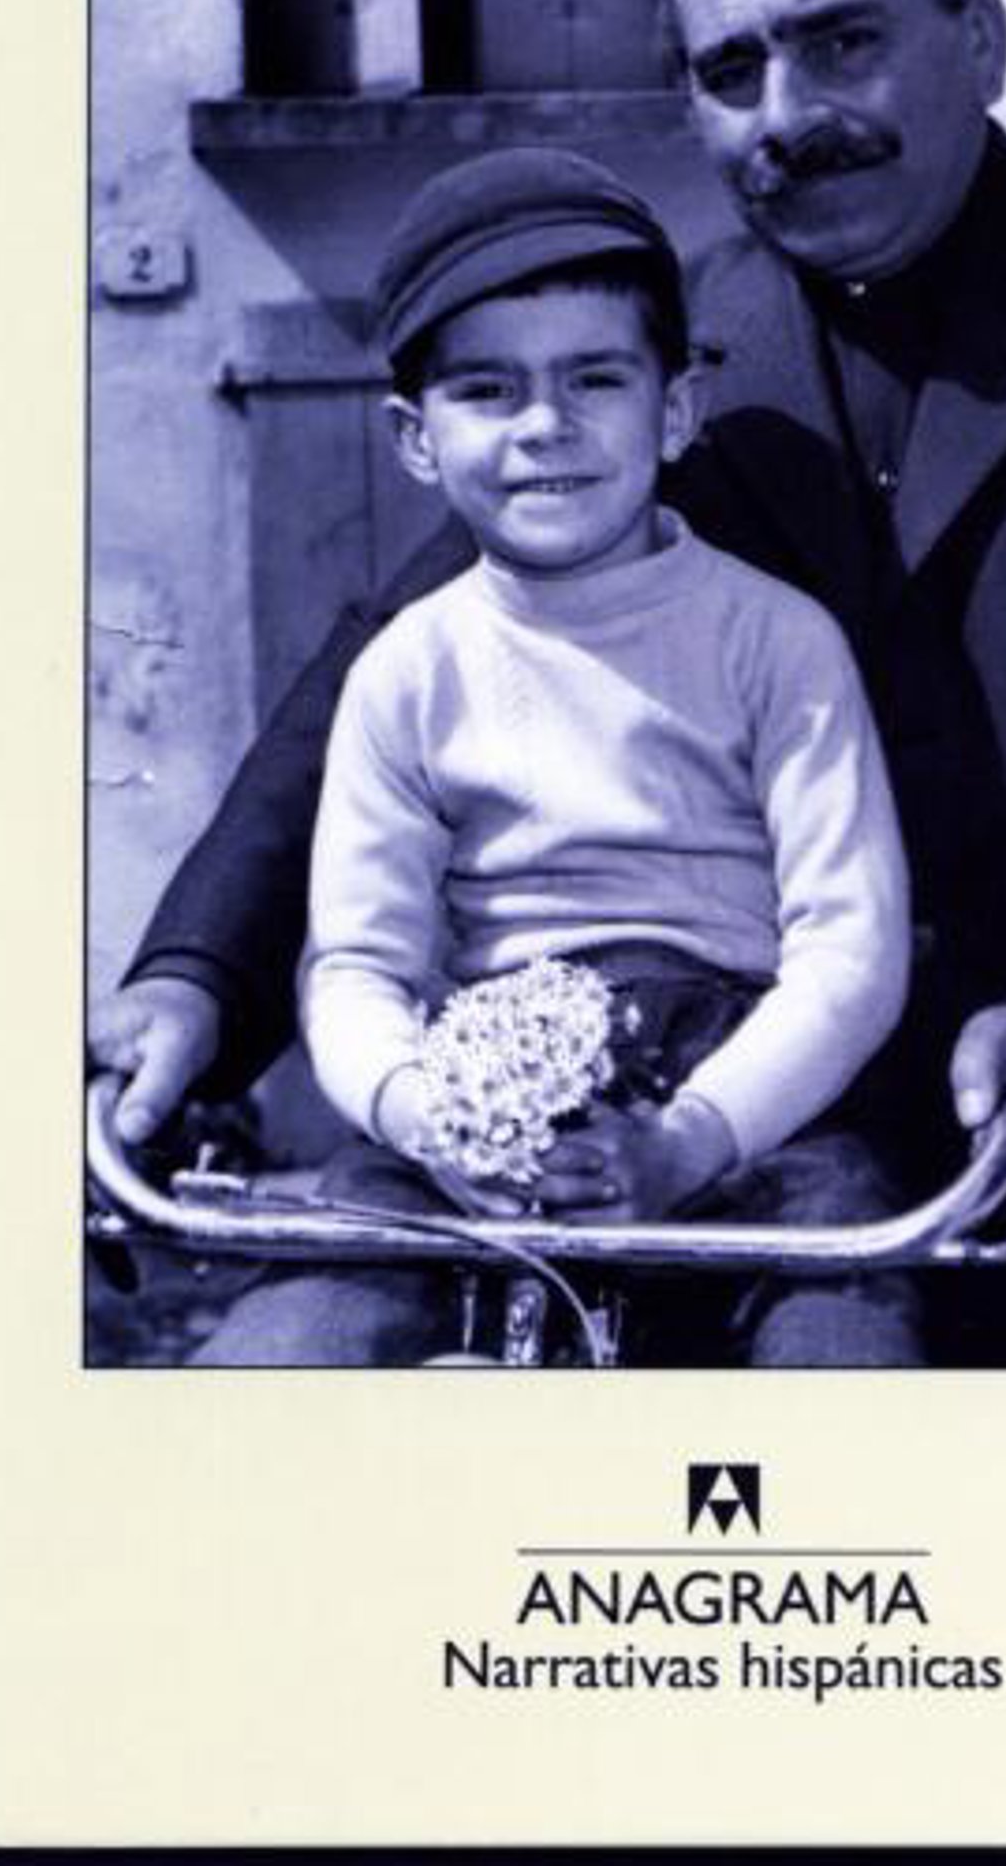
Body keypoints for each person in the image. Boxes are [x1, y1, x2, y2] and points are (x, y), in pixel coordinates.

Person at [93, 0, 1006, 1365]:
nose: (789, 116)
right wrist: (193, 979)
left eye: (843, 44)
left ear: (979, 35)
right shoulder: (652, 353)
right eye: (730, 69)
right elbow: (395, 654)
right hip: (752, 1195)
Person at [282, 145, 916, 1367]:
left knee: (841, 1351)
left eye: (595, 379)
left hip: (745, 1100)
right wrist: (425, 1116)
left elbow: (851, 949)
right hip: (472, 1092)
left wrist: (693, 1138)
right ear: (416, 439)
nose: (545, 427)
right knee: (294, 1344)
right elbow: (355, 964)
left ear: (675, 410)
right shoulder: (408, 670)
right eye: (487, 390)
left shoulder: (773, 639)